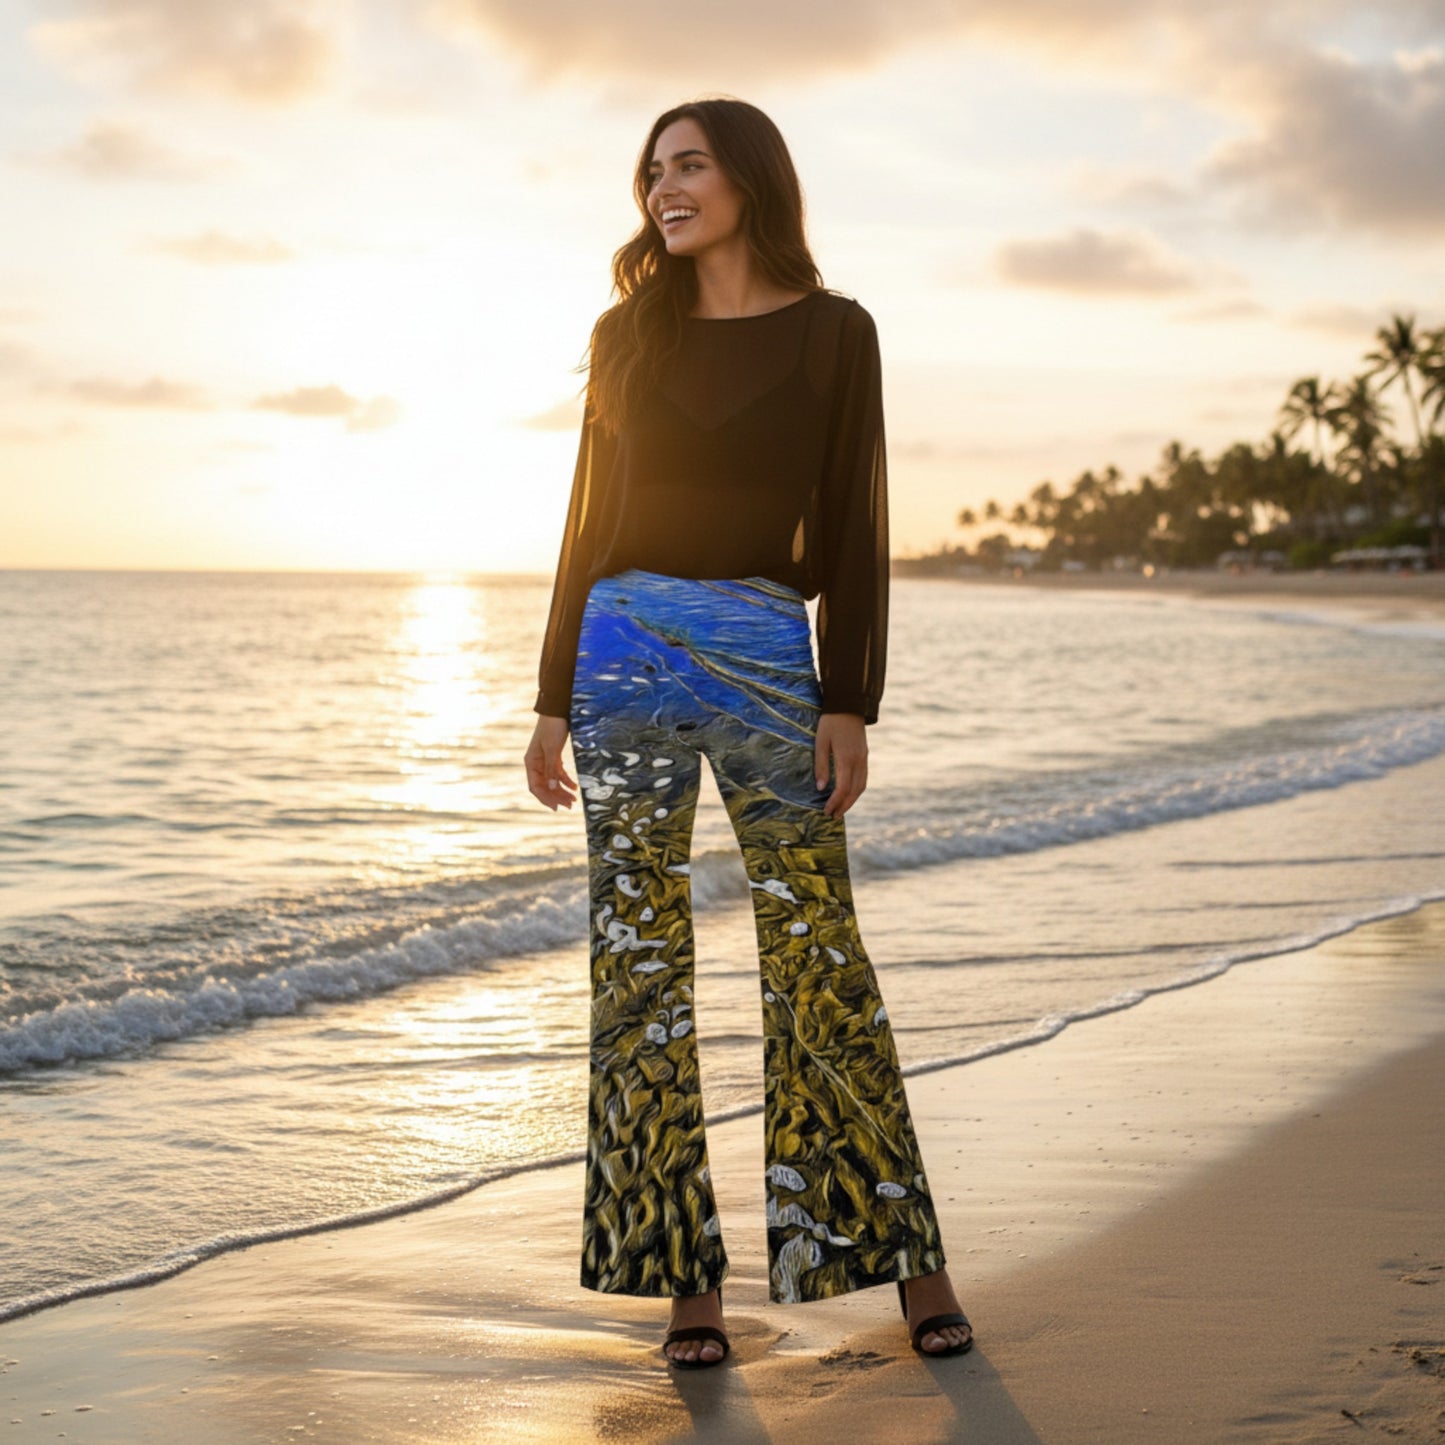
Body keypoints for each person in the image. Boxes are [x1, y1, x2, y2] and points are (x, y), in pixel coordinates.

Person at [523, 96, 973, 1370]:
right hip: (620, 657)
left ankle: (904, 1261)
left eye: (688, 165)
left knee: (816, 949)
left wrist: (851, 695)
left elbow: (855, 517)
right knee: (639, 975)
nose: (663, 188)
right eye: (651, 171)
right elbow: (581, 520)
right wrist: (550, 696)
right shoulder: (626, 335)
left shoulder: (838, 334)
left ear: (748, 180)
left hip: (772, 651)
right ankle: (684, 1286)